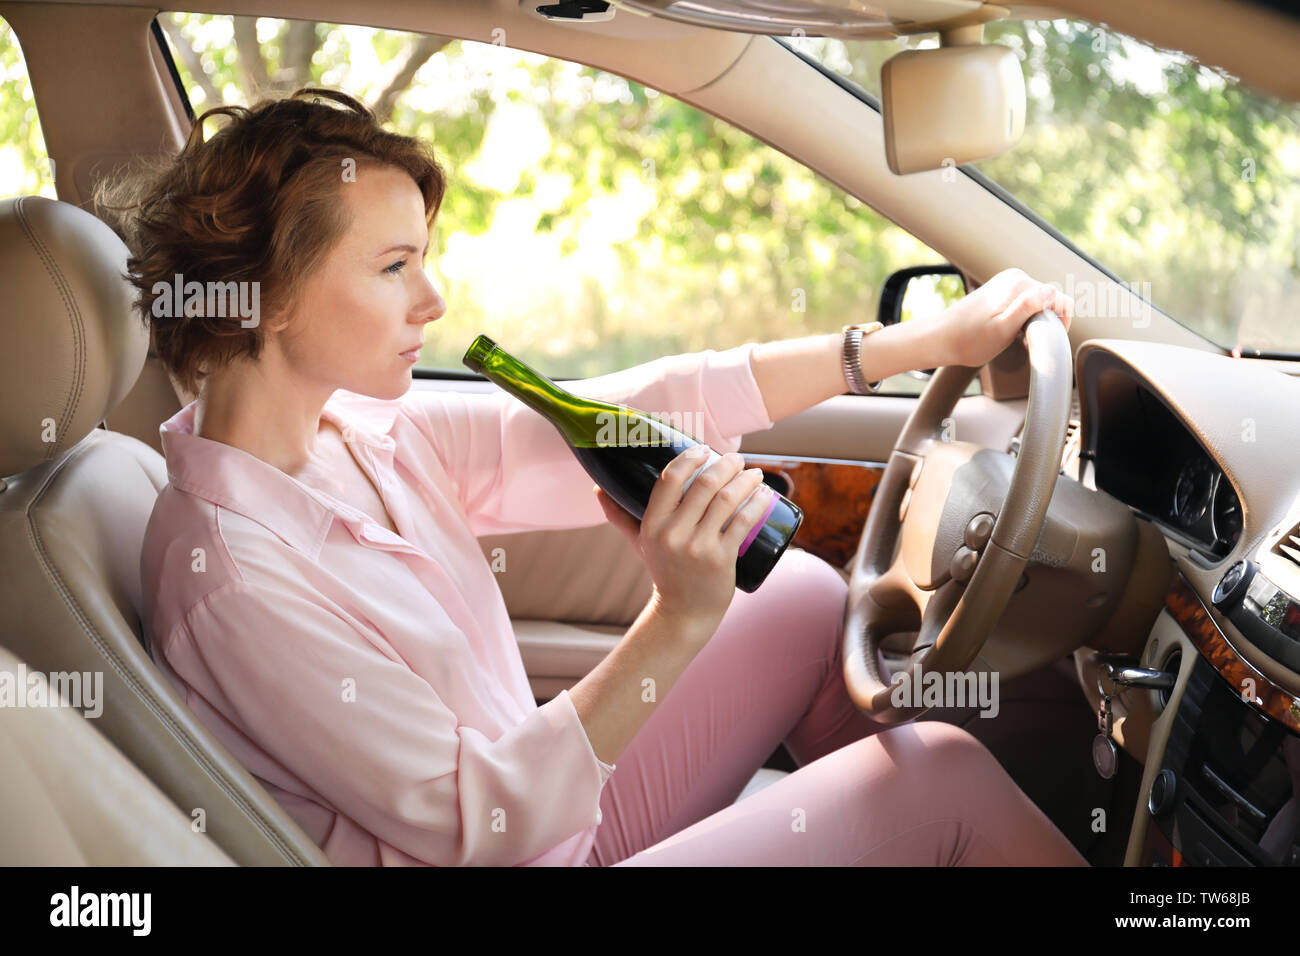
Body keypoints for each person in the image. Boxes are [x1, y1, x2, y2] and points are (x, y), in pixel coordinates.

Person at [95, 87, 1083, 866]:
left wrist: (917, 341)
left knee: (798, 592)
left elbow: (643, 404)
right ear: (266, 294)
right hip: (507, 848)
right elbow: (476, 819)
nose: (434, 299)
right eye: (395, 266)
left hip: (550, 809)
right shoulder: (231, 575)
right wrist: (677, 616)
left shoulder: (351, 429)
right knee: (945, 775)